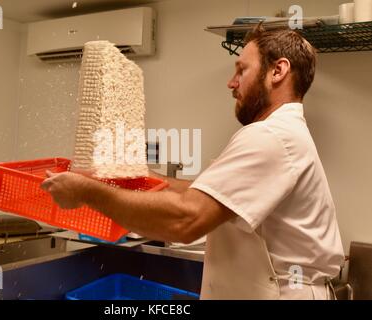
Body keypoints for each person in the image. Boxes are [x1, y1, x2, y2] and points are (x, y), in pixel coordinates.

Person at [41, 25, 345, 300]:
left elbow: (185, 220)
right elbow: (206, 195)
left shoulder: (271, 137)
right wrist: (143, 177)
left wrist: (85, 192)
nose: (231, 82)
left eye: (242, 70)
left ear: (277, 71)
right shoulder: (281, 134)